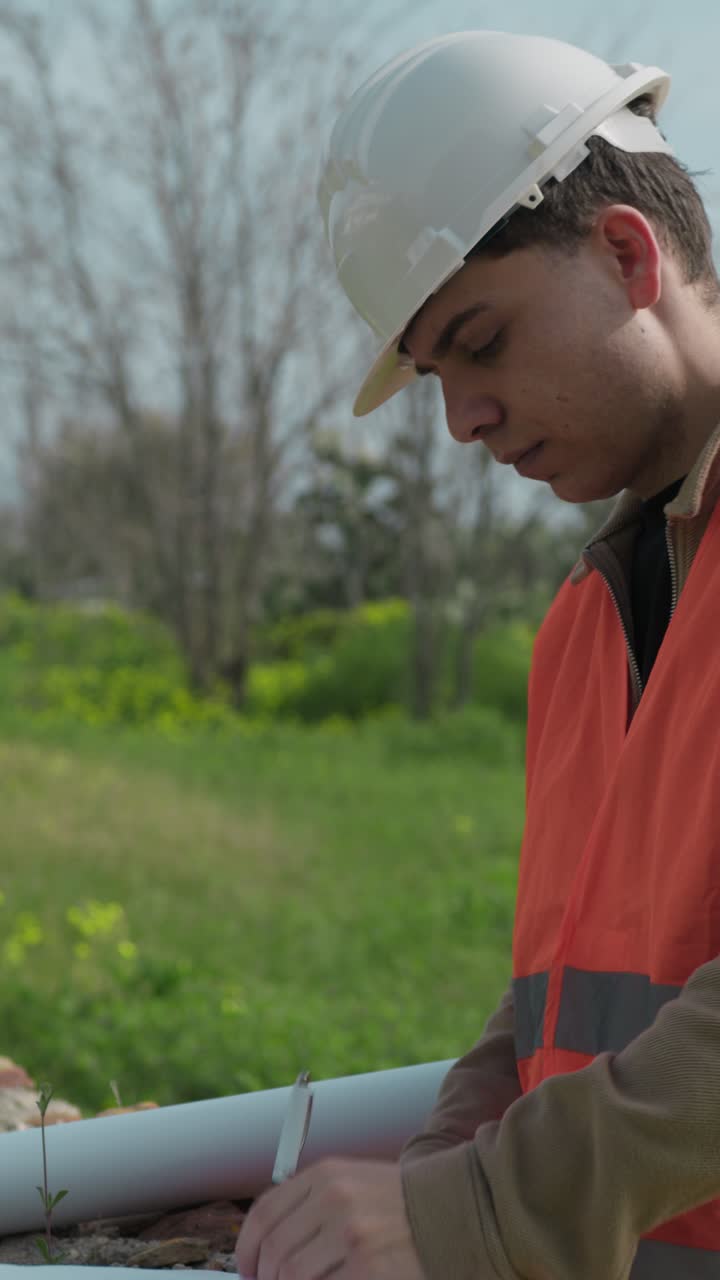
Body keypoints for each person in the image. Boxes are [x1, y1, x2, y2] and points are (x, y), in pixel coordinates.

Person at [234, 30, 720, 1280]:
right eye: (436, 374)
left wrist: (482, 1209)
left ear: (627, 254)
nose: (462, 421)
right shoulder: (588, 622)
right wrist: (447, 1154)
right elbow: (574, 998)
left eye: (483, 342)